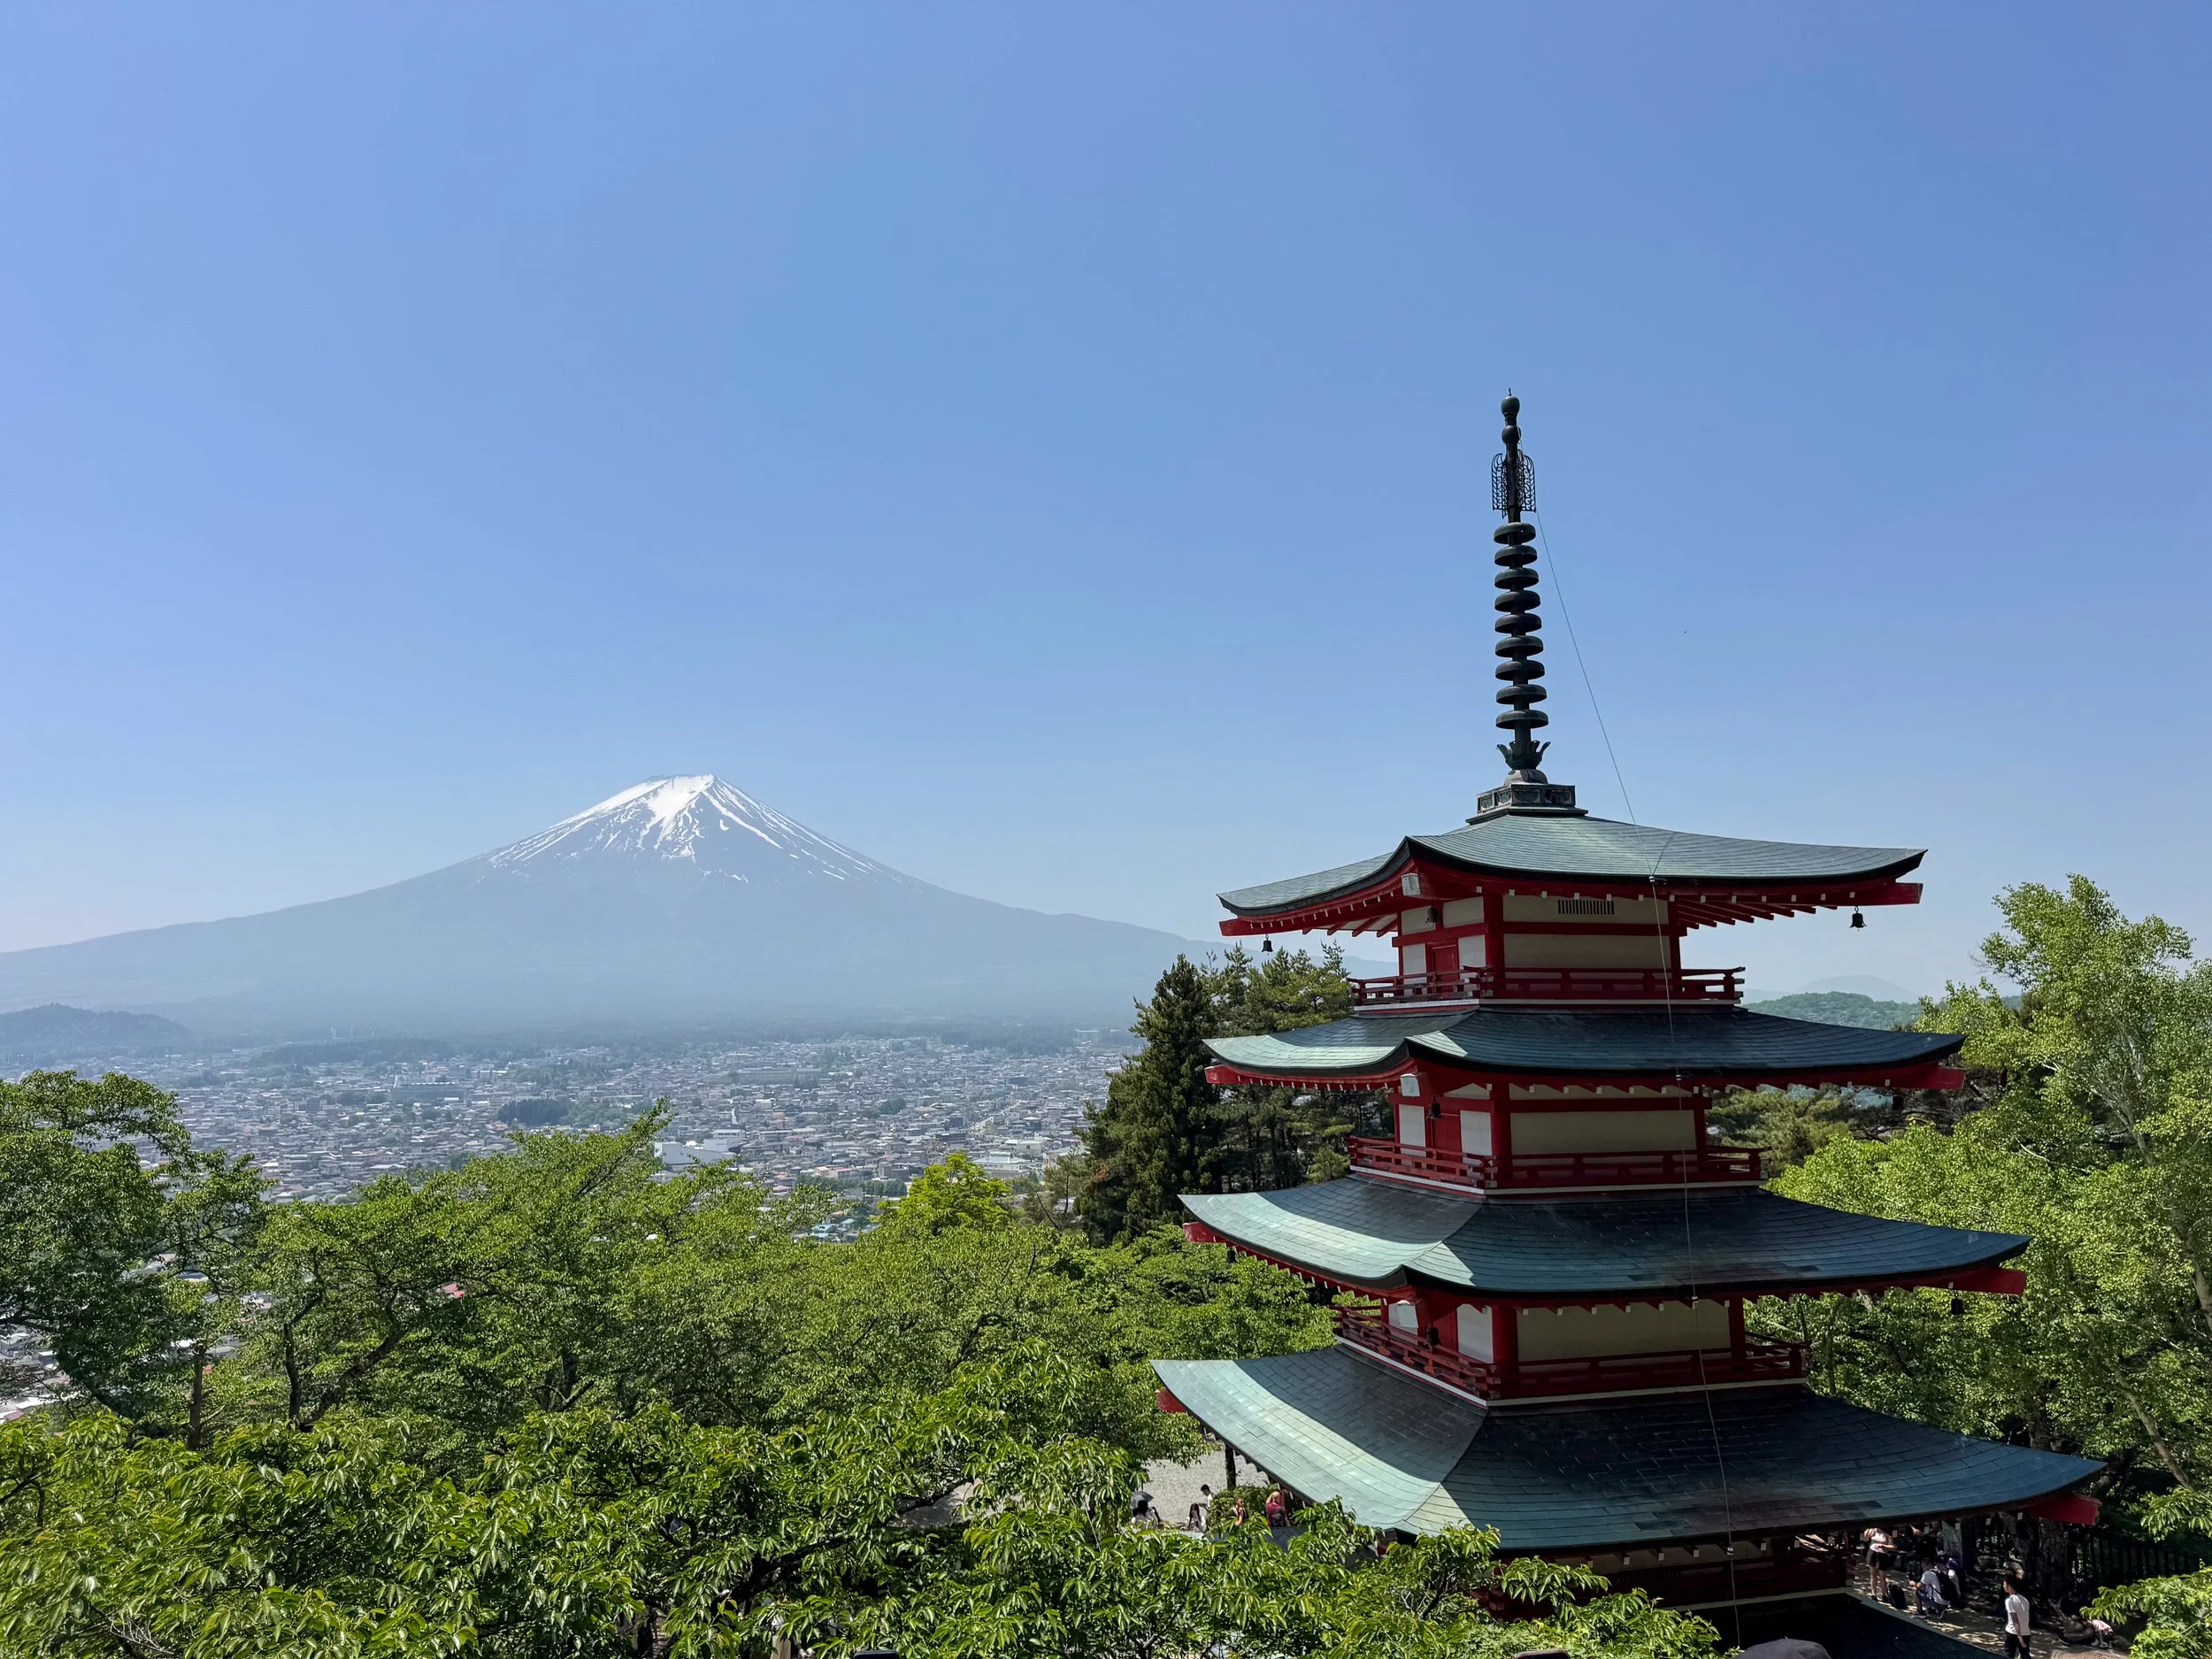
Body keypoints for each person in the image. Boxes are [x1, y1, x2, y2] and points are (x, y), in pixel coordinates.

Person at [2002, 1576, 2032, 1659]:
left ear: (2010, 1586)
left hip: (2013, 1632)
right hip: (2026, 1632)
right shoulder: (2024, 1600)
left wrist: (2019, 1637)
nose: (2003, 1586)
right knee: (2025, 1654)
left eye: (2005, 1584)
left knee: (2008, 1654)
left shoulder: (2009, 1601)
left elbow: (2015, 1620)